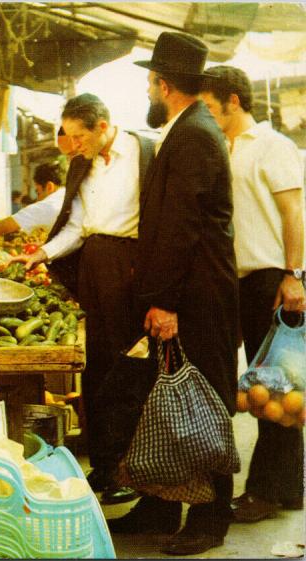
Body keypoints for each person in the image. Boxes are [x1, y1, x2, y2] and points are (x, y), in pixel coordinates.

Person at [106, 32, 240, 556]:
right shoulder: (189, 130)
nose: (148, 90)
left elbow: (181, 228)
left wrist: (165, 301)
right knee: (163, 402)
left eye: (150, 82)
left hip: (198, 297)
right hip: (187, 291)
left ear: (163, 85)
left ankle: (210, 520)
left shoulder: (194, 135)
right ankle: (160, 503)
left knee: (202, 403)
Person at [14, 93, 155, 505]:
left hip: (130, 266)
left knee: (129, 370)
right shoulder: (81, 165)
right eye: (69, 136)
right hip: (94, 265)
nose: (73, 145)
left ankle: (134, 470)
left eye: (80, 136)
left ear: (102, 125)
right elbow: (77, 225)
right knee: (97, 368)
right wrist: (43, 253)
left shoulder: (145, 152)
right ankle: (107, 466)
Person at [200, 66, 305, 522]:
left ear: (234, 100)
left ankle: (264, 492)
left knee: (274, 390)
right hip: (232, 279)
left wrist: (294, 274)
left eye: (208, 104)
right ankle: (289, 489)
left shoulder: (272, 145)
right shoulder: (220, 147)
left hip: (269, 278)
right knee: (270, 387)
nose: (203, 113)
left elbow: (293, 210)